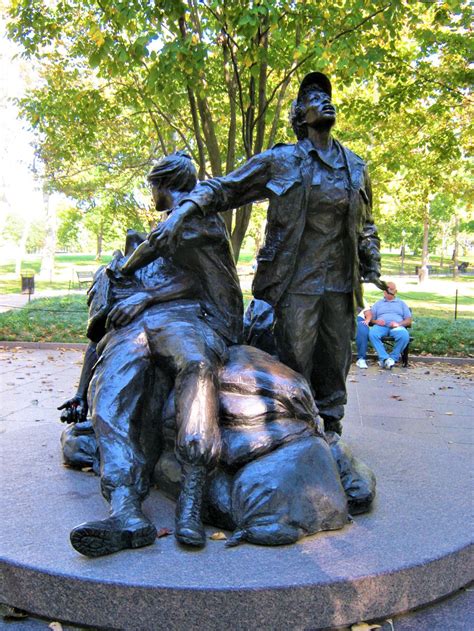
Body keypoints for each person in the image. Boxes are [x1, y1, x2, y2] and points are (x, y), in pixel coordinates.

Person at [148, 72, 381, 435]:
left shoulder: (357, 167)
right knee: (294, 365)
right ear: (300, 116)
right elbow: (225, 189)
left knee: (336, 362)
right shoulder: (281, 161)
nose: (325, 101)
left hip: (341, 283)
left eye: (326, 96)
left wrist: (372, 260)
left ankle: (331, 431)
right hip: (296, 283)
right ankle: (298, 433)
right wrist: (183, 212)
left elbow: (366, 224)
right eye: (314, 98)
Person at [62, 153, 243, 556]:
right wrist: (82, 389)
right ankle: (126, 510)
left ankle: (192, 496)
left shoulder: (193, 217)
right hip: (134, 329)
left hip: (187, 319)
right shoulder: (132, 257)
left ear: (164, 185)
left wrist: (140, 288)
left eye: (153, 187)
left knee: (196, 365)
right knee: (109, 398)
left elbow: (178, 266)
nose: (153, 196)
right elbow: (99, 332)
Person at [368, 281, 412, 369]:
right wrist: (376, 322)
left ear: (395, 291)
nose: (388, 291)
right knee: (372, 334)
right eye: (386, 289)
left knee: (404, 335)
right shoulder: (378, 304)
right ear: (383, 291)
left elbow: (408, 320)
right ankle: (384, 358)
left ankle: (392, 358)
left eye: (391, 289)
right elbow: (370, 319)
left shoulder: (401, 303)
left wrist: (398, 324)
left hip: (397, 327)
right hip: (381, 326)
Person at [355, 304, 372, 369]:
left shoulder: (360, 299)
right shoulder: (338, 296)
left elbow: (368, 314)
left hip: (358, 319)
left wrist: (367, 320)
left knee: (362, 329)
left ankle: (361, 359)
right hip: (341, 320)